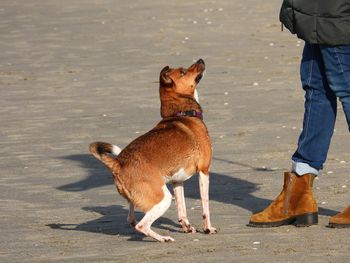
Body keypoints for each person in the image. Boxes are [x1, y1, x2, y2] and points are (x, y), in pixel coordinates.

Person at [248, 0, 350, 228]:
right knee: (317, 89)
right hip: (319, 13)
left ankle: (298, 192)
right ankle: (299, 191)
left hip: (336, 15)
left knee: (345, 87)